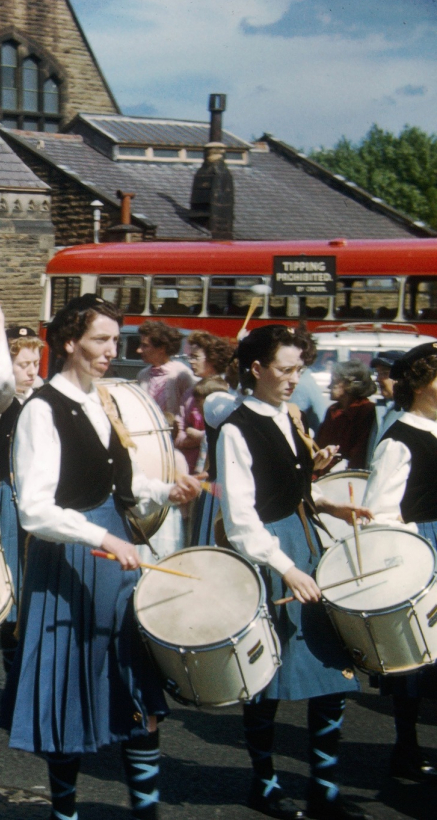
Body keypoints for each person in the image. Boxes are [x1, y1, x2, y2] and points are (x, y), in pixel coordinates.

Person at [1, 295, 198, 820]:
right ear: (70, 342)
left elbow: (123, 485)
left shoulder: (101, 399)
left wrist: (165, 490)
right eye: (101, 340)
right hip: (69, 561)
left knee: (138, 691)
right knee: (69, 699)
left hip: (114, 552)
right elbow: (35, 511)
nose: (113, 350)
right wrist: (103, 539)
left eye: (116, 340)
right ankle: (64, 813)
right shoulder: (41, 410)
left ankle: (146, 812)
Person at [217, 325, 371, 820]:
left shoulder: (290, 415)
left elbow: (289, 487)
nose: (293, 379)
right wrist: (285, 567)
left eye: (298, 370)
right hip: (271, 556)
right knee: (267, 677)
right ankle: (264, 784)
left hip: (306, 546)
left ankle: (323, 789)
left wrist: (326, 502)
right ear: (257, 369)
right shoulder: (237, 429)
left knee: (332, 672)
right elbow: (242, 520)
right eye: (284, 370)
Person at [361, 341, 437, 784]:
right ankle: (405, 747)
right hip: (422, 547)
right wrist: (413, 558)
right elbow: (381, 513)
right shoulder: (399, 440)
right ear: (420, 385)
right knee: (417, 657)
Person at [0, 297, 43, 675]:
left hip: (48, 501)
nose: (32, 372)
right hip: (13, 500)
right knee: (17, 596)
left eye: (36, 363)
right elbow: (0, 380)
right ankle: (16, 681)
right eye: (23, 364)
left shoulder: (45, 396)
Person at [178, 332, 234, 473]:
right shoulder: (189, 394)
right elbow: (179, 434)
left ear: (212, 358)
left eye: (195, 357)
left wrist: (200, 436)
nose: (191, 361)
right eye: (190, 357)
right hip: (190, 466)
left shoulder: (227, 392)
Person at [316, 360, 377, 471]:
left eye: (334, 382)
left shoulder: (367, 411)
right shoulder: (332, 410)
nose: (329, 386)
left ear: (350, 384)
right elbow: (319, 446)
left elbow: (359, 456)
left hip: (347, 477)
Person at [136, 320, 195, 418]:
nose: (138, 350)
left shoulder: (181, 374)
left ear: (161, 348)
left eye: (145, 345)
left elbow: (191, 409)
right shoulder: (142, 375)